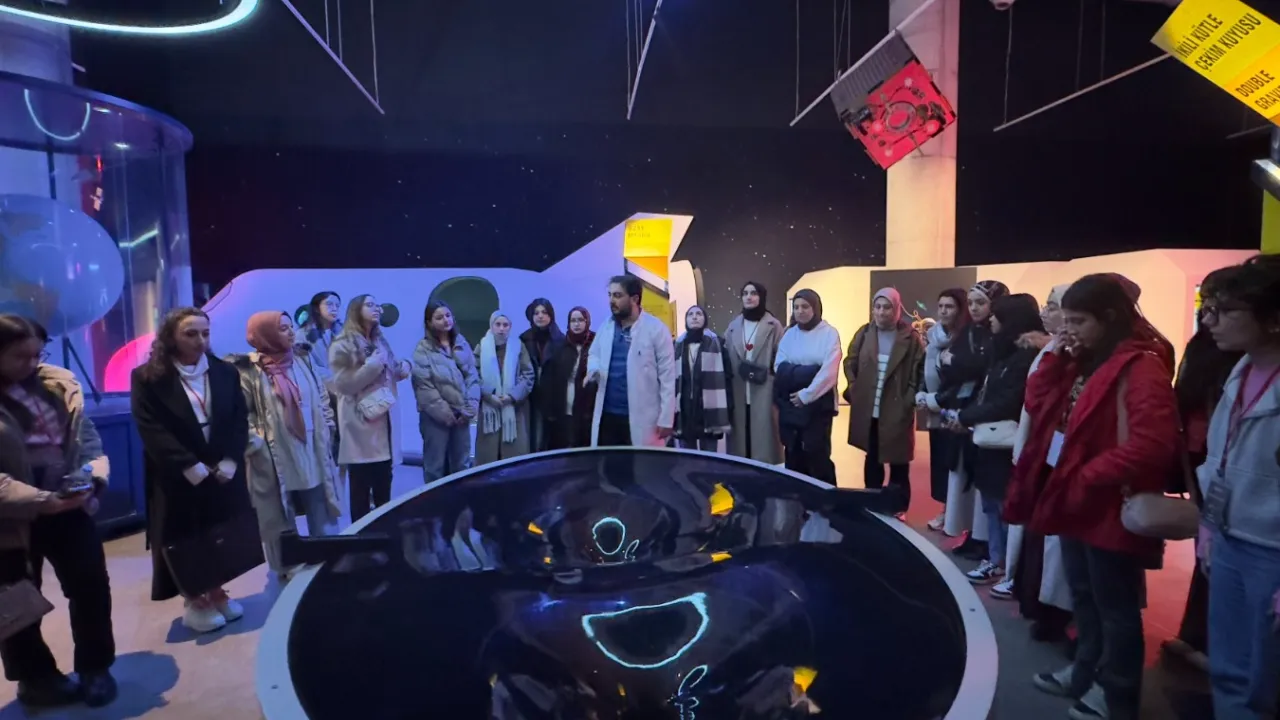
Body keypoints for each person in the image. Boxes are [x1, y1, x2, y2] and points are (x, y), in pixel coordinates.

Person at [1005, 274, 1177, 720]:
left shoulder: (1141, 366)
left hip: (1108, 503)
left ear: (1110, 317)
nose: (1069, 329)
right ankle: (1084, 672)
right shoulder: (1083, 358)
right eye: (1066, 319)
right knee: (1084, 596)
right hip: (1076, 497)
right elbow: (1038, 402)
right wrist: (1054, 358)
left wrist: (1086, 475)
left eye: (1078, 321)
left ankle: (1116, 693)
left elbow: (1152, 444)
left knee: (1115, 607)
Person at [0, 314, 117, 707]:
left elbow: (86, 438)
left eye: (38, 354)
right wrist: (39, 500)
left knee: (90, 585)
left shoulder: (56, 384)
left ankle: (95, 668)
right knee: (16, 599)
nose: (32, 364)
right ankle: (35, 678)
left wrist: (91, 476)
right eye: (20, 356)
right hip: (11, 518)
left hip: (67, 504)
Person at [131, 307, 254, 634]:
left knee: (220, 531)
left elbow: (239, 419)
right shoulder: (147, 377)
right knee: (186, 536)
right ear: (171, 336)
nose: (200, 340)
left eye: (205, 333)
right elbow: (151, 429)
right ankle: (195, 599)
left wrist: (231, 459)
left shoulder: (225, 371)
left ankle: (218, 590)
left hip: (220, 465)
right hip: (177, 471)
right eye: (190, 334)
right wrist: (188, 465)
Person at [1195, 254, 1280, 720]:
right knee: (1228, 671)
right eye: (1210, 309)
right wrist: (1209, 526)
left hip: (1271, 550)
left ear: (1273, 318)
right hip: (1228, 537)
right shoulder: (1241, 369)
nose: (1210, 322)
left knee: (1263, 685)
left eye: (1227, 311)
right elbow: (1221, 457)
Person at [232, 311, 341, 582]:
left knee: (320, 498)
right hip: (273, 448)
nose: (291, 332)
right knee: (277, 508)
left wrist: (328, 425)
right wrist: (256, 443)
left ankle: (326, 553)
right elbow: (242, 413)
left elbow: (320, 396)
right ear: (264, 335)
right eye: (282, 329)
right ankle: (287, 563)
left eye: (291, 327)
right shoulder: (247, 370)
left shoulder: (302, 358)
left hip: (310, 444)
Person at [946, 294, 1043, 586]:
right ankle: (996, 558)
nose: (990, 319)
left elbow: (1008, 401)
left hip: (1007, 444)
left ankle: (1008, 565)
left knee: (1004, 506)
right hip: (989, 440)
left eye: (996, 315)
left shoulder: (1025, 357)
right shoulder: (1003, 351)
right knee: (990, 503)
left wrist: (967, 416)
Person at [1005, 284, 1074, 641]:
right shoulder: (1052, 349)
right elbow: (1034, 399)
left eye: (1054, 306)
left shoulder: (1076, 354)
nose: (1046, 313)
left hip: (1066, 458)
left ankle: (1058, 613)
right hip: (1045, 451)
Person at [930, 279, 1009, 561]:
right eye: (972, 303)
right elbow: (953, 367)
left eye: (981, 303)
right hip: (964, 413)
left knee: (983, 485)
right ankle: (975, 536)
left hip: (986, 418)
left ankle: (985, 543)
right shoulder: (971, 332)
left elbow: (974, 366)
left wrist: (955, 362)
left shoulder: (999, 336)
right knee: (966, 479)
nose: (974, 308)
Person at [328, 294, 410, 522]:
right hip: (359, 426)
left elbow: (389, 370)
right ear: (357, 310)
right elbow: (343, 385)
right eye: (370, 305)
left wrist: (404, 367)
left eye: (378, 305)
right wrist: (373, 366)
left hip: (385, 423)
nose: (377, 309)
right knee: (360, 493)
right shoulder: (342, 343)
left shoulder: (380, 341)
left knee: (384, 493)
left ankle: (384, 535)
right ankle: (361, 539)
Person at [844, 288, 925, 514]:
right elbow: (850, 362)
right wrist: (855, 388)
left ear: (897, 308)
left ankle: (898, 507)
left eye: (887, 307)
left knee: (899, 461)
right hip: (869, 406)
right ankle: (872, 502)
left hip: (896, 407)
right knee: (872, 458)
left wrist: (908, 399)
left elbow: (918, 371)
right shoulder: (864, 333)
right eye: (877, 307)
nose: (881, 312)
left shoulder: (910, 337)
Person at [586, 274, 676, 447]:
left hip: (643, 417)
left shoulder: (656, 329)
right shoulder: (606, 326)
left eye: (617, 295)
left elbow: (668, 378)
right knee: (608, 463)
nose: (611, 301)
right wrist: (594, 369)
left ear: (634, 299)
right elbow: (594, 354)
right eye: (610, 295)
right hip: (609, 416)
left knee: (642, 463)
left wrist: (666, 418)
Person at [774, 289, 842, 484]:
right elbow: (779, 367)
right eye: (796, 307)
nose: (800, 311)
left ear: (815, 308)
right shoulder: (789, 335)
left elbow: (828, 373)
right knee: (793, 454)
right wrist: (811, 371)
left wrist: (806, 395)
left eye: (805, 306)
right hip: (791, 404)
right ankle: (797, 499)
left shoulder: (829, 334)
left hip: (818, 406)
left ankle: (825, 500)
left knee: (817, 455)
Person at [918, 288, 971, 533]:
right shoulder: (934, 336)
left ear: (960, 309)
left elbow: (963, 380)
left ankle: (956, 515)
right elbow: (926, 369)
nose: (943, 311)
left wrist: (936, 399)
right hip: (935, 410)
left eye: (949, 306)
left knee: (955, 464)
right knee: (940, 461)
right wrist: (923, 394)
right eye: (940, 306)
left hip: (957, 412)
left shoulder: (967, 339)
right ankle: (945, 510)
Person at [411, 301, 479, 483]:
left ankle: (460, 501)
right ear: (429, 322)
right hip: (435, 418)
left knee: (462, 465)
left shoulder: (461, 343)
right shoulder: (423, 349)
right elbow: (424, 387)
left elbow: (473, 377)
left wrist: (470, 408)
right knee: (435, 467)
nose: (445, 320)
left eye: (448, 316)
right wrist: (447, 414)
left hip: (462, 415)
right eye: (439, 317)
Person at [723, 282, 785, 463]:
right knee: (740, 441)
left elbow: (781, 357)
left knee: (763, 436)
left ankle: (763, 472)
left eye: (754, 293)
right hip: (739, 388)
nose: (749, 297)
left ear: (761, 297)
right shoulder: (733, 326)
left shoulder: (774, 326)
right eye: (745, 293)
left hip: (764, 389)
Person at [475, 311, 535, 464]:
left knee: (513, 460)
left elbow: (528, 375)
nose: (501, 328)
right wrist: (489, 395)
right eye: (498, 324)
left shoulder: (518, 346)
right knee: (488, 461)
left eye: (505, 325)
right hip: (490, 409)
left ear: (510, 327)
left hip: (514, 409)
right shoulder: (482, 346)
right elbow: (473, 376)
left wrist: (512, 396)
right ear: (491, 326)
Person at [673, 305, 733, 451]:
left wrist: (729, 406)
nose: (694, 317)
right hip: (685, 408)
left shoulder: (718, 343)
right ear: (685, 320)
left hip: (709, 408)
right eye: (690, 314)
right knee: (688, 457)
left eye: (699, 314)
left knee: (709, 456)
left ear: (705, 319)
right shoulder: (677, 345)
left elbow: (727, 377)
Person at [545, 307, 597, 449]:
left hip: (587, 408)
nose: (576, 324)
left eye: (580, 320)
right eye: (573, 320)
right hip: (564, 407)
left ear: (587, 322)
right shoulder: (560, 345)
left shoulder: (595, 344)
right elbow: (551, 379)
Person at [520, 298, 564, 452]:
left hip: (554, 398)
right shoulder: (524, 339)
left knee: (552, 442)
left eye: (544, 312)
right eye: (536, 313)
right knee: (531, 442)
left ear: (551, 315)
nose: (540, 316)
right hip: (530, 398)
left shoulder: (561, 340)